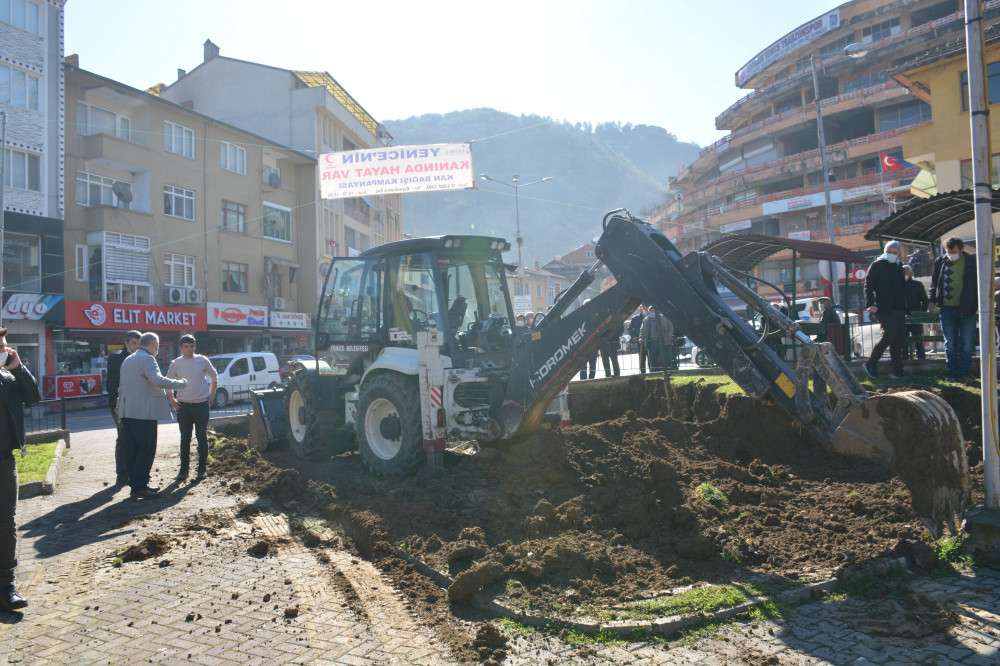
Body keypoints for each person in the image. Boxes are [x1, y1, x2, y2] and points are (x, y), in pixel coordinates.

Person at [117, 332, 187, 499]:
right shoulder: (147, 359)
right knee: (146, 449)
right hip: (143, 413)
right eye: (157, 346)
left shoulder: (129, 359)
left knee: (133, 450)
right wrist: (181, 384)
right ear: (153, 345)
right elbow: (158, 380)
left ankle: (136, 485)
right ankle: (141, 486)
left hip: (128, 412)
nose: (157, 349)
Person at [0, 329, 40, 611]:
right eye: (1, 344)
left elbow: (33, 396)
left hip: (4, 460)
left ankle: (6, 586)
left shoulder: (8, 378)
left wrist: (20, 367)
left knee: (5, 523)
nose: (5, 347)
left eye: (3, 343)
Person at [167, 335, 218, 482]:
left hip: (202, 404)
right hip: (183, 406)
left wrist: (212, 396)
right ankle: (183, 471)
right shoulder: (176, 363)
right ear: (181, 348)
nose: (189, 349)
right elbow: (168, 383)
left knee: (202, 437)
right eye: (186, 346)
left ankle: (201, 470)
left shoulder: (202, 360)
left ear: (195, 347)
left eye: (192, 346)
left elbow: (214, 377)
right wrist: (172, 400)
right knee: (185, 438)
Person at [930, 237, 978, 380]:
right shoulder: (940, 261)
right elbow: (934, 283)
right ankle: (952, 373)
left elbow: (979, 280)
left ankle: (964, 373)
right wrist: (932, 300)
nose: (951, 254)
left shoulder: (971, 261)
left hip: (967, 308)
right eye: (948, 251)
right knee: (949, 342)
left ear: (961, 249)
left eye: (954, 251)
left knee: (967, 342)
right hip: (946, 309)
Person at [863, 240, 908, 379]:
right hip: (882, 307)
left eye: (895, 252)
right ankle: (871, 363)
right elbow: (868, 286)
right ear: (885, 251)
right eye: (889, 252)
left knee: (898, 338)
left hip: (899, 307)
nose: (892, 254)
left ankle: (898, 371)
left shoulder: (899, 265)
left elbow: (901, 287)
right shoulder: (877, 265)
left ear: (899, 253)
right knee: (890, 334)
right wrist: (871, 303)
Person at [106, 330, 141, 487]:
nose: (136, 346)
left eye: (139, 343)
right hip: (120, 404)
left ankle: (135, 472)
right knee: (123, 438)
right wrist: (115, 404)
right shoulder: (115, 358)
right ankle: (122, 474)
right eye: (134, 343)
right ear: (126, 343)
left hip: (138, 404)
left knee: (136, 438)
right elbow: (112, 383)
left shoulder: (144, 358)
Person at [903, 265, 928, 360]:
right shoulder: (898, 286)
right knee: (904, 341)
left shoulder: (917, 284)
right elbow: (925, 301)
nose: (905, 274)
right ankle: (906, 360)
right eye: (903, 272)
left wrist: (921, 313)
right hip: (904, 316)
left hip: (914, 316)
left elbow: (925, 301)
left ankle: (921, 360)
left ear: (910, 273)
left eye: (906, 272)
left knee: (917, 339)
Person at [641, 306, 673, 372]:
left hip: (662, 341)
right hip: (651, 342)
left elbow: (670, 327)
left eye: (653, 311)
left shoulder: (663, 318)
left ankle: (664, 371)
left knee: (663, 357)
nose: (652, 312)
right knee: (652, 358)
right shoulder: (645, 320)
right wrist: (641, 338)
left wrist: (669, 336)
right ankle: (654, 371)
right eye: (651, 311)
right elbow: (642, 330)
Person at [628, 306, 647, 373]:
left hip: (649, 339)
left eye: (643, 308)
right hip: (640, 340)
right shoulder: (635, 318)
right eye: (641, 309)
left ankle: (652, 370)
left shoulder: (649, 317)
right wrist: (634, 336)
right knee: (641, 356)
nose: (642, 310)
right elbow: (630, 329)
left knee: (650, 356)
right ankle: (642, 371)